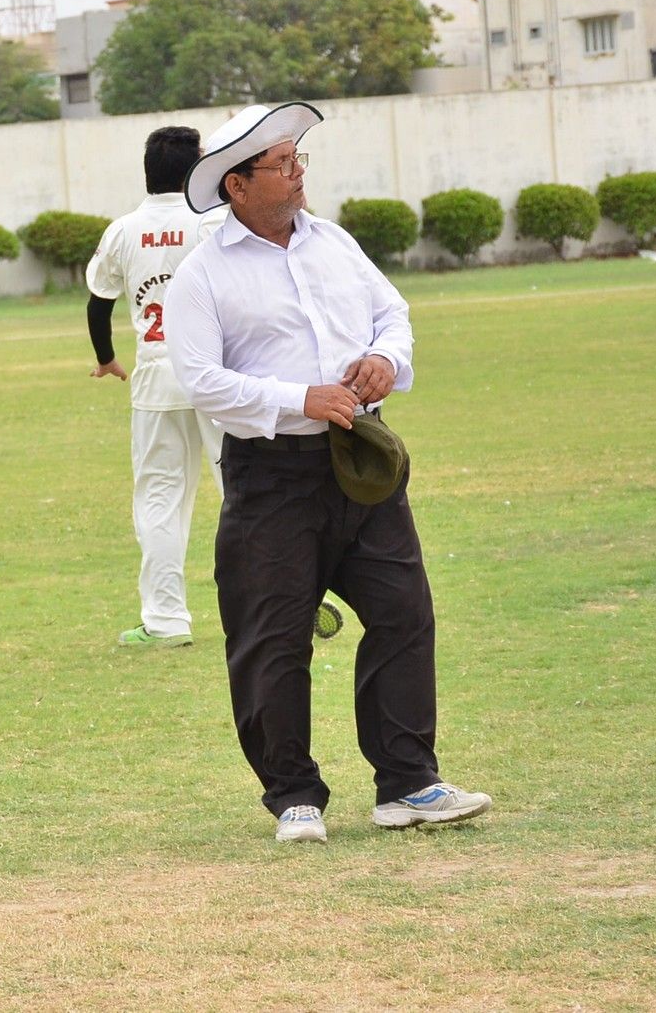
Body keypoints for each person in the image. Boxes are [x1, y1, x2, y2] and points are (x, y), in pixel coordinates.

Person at [163, 103, 493, 844]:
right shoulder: (202, 275)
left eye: (297, 160)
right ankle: (294, 796)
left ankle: (407, 784)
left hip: (361, 464)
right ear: (237, 185)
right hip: (271, 476)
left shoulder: (335, 242)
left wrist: (386, 359)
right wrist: (297, 398)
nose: (297, 173)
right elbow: (201, 381)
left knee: (404, 613)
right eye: (281, 164)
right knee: (273, 637)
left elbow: (392, 314)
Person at [85, 126, 225, 649]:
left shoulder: (123, 231)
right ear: (195, 171)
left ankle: (166, 621)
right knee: (243, 494)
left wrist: (106, 359)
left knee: (160, 500)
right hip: (218, 377)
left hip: (155, 378)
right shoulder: (214, 222)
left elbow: (99, 302)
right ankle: (275, 604)